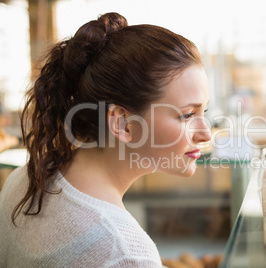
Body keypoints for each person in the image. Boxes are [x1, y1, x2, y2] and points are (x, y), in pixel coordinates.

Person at [0, 12, 211, 267]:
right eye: (188, 114)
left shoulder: (24, 179)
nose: (205, 134)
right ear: (122, 123)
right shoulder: (125, 253)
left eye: (204, 112)